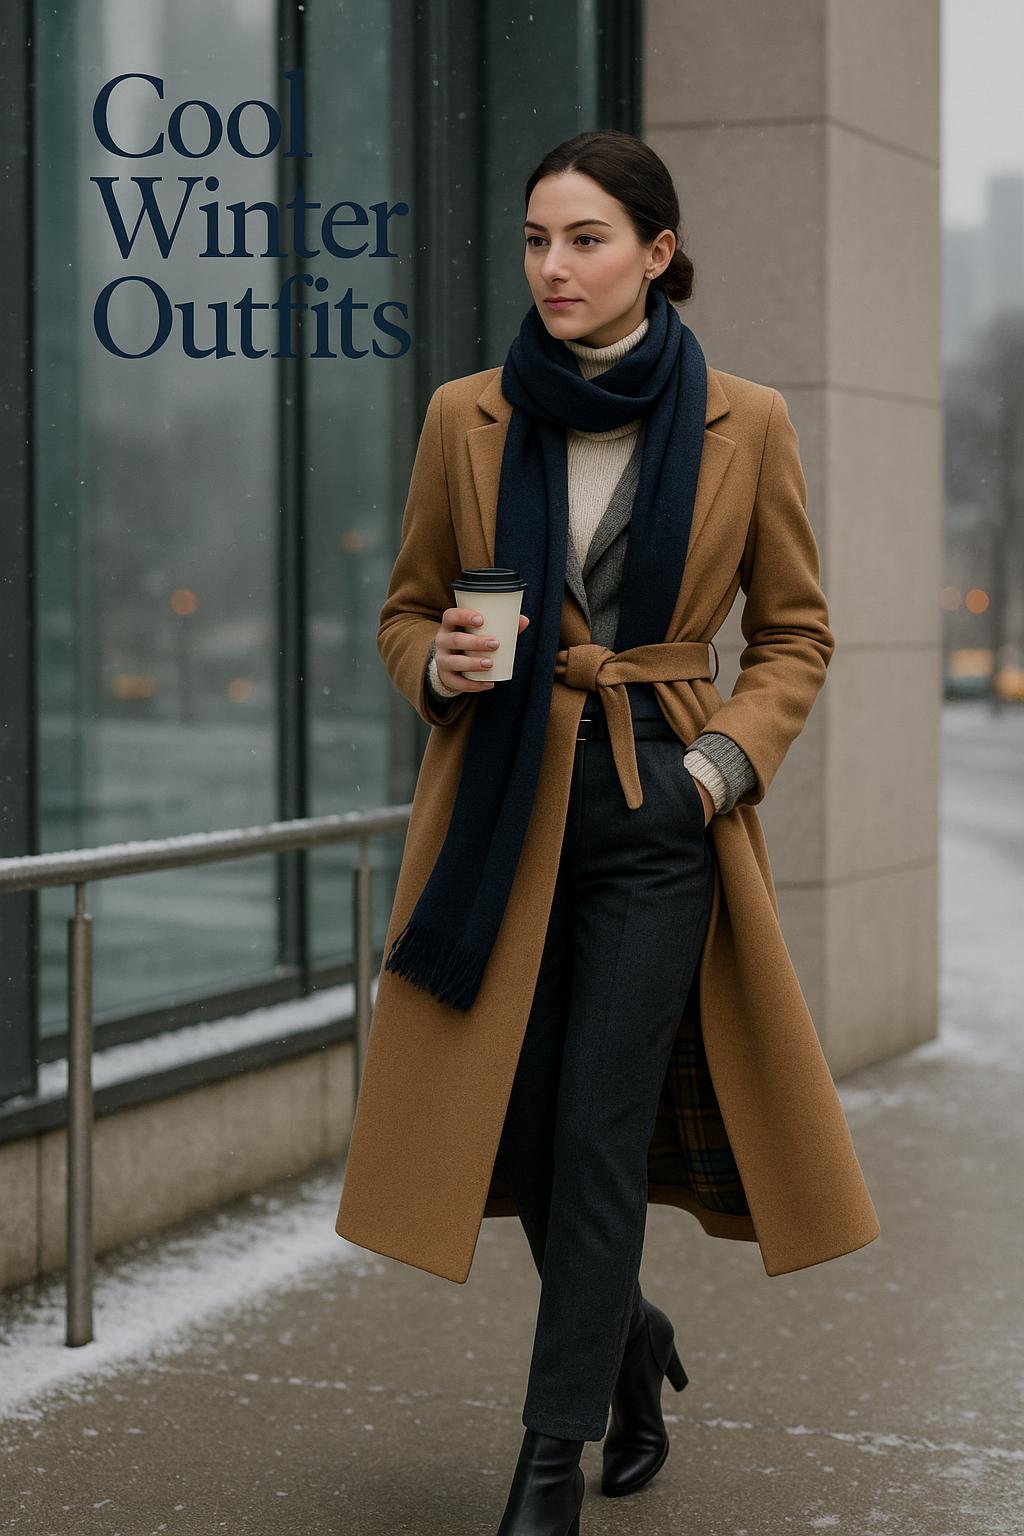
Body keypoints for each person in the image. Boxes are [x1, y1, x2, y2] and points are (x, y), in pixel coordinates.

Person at [417, 130, 769, 1536]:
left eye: (584, 239)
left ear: (657, 253)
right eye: (534, 240)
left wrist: (720, 768)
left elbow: (795, 633)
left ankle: (547, 1460)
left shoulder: (749, 419)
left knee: (603, 1135)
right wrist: (432, 664)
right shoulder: (469, 415)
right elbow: (407, 606)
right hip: (506, 813)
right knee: (521, 1135)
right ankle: (624, 1338)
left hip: (656, 816)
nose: (552, 267)